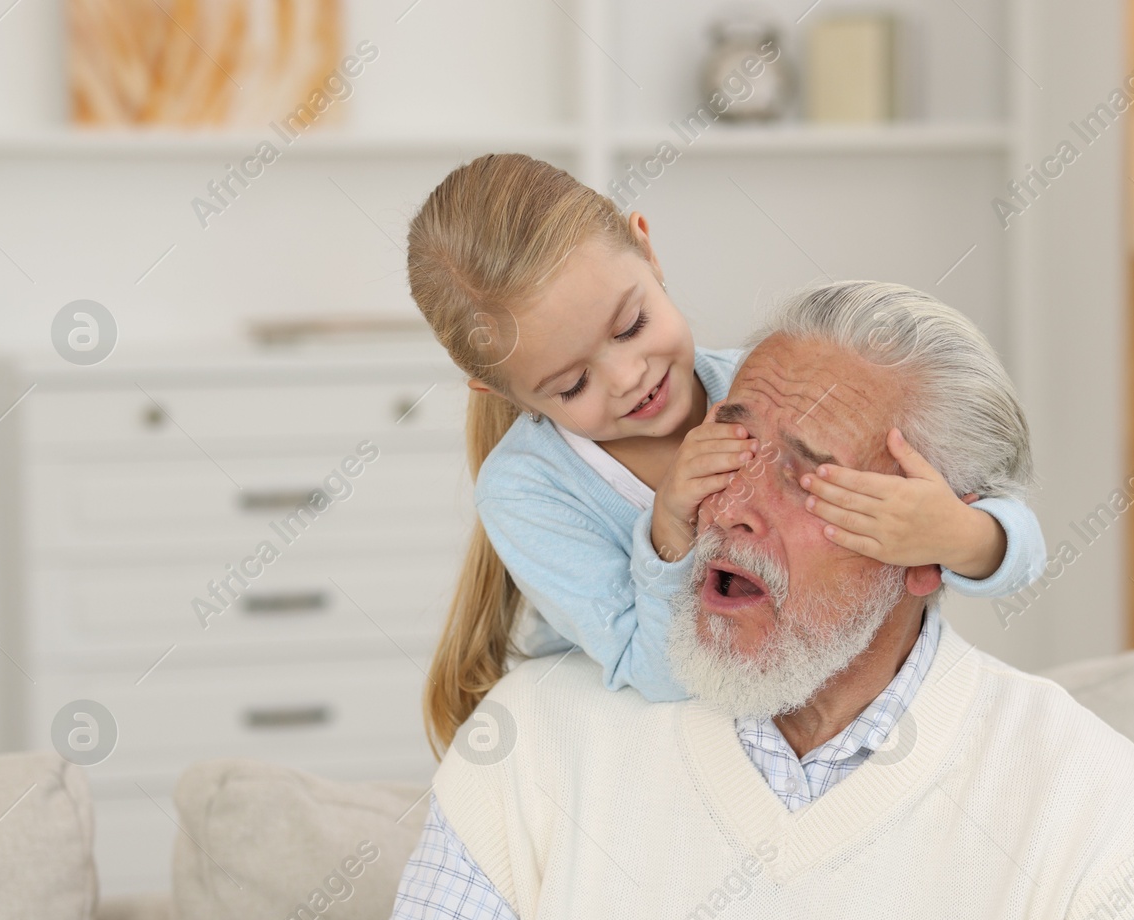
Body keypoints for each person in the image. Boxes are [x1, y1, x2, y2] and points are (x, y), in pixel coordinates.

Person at [320, 281, 1134, 920]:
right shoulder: (535, 743)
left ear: (930, 548)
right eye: (725, 448)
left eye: (806, 478)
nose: (732, 508)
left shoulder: (1079, 788)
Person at [406, 154, 1047, 754]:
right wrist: (666, 532)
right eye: (572, 385)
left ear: (647, 249)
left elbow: (1024, 546)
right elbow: (653, 673)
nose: (630, 376)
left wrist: (961, 534)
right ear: (499, 389)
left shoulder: (763, 386)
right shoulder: (525, 490)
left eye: (630, 327)